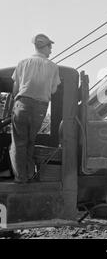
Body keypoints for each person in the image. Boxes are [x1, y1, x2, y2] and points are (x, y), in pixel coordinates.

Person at [10, 34, 61, 183]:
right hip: (40, 107)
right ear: (44, 47)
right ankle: (30, 174)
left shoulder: (22, 63)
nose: (51, 51)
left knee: (19, 142)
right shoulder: (53, 67)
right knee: (30, 141)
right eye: (50, 47)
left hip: (22, 104)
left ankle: (20, 178)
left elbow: (15, 89)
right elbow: (53, 91)